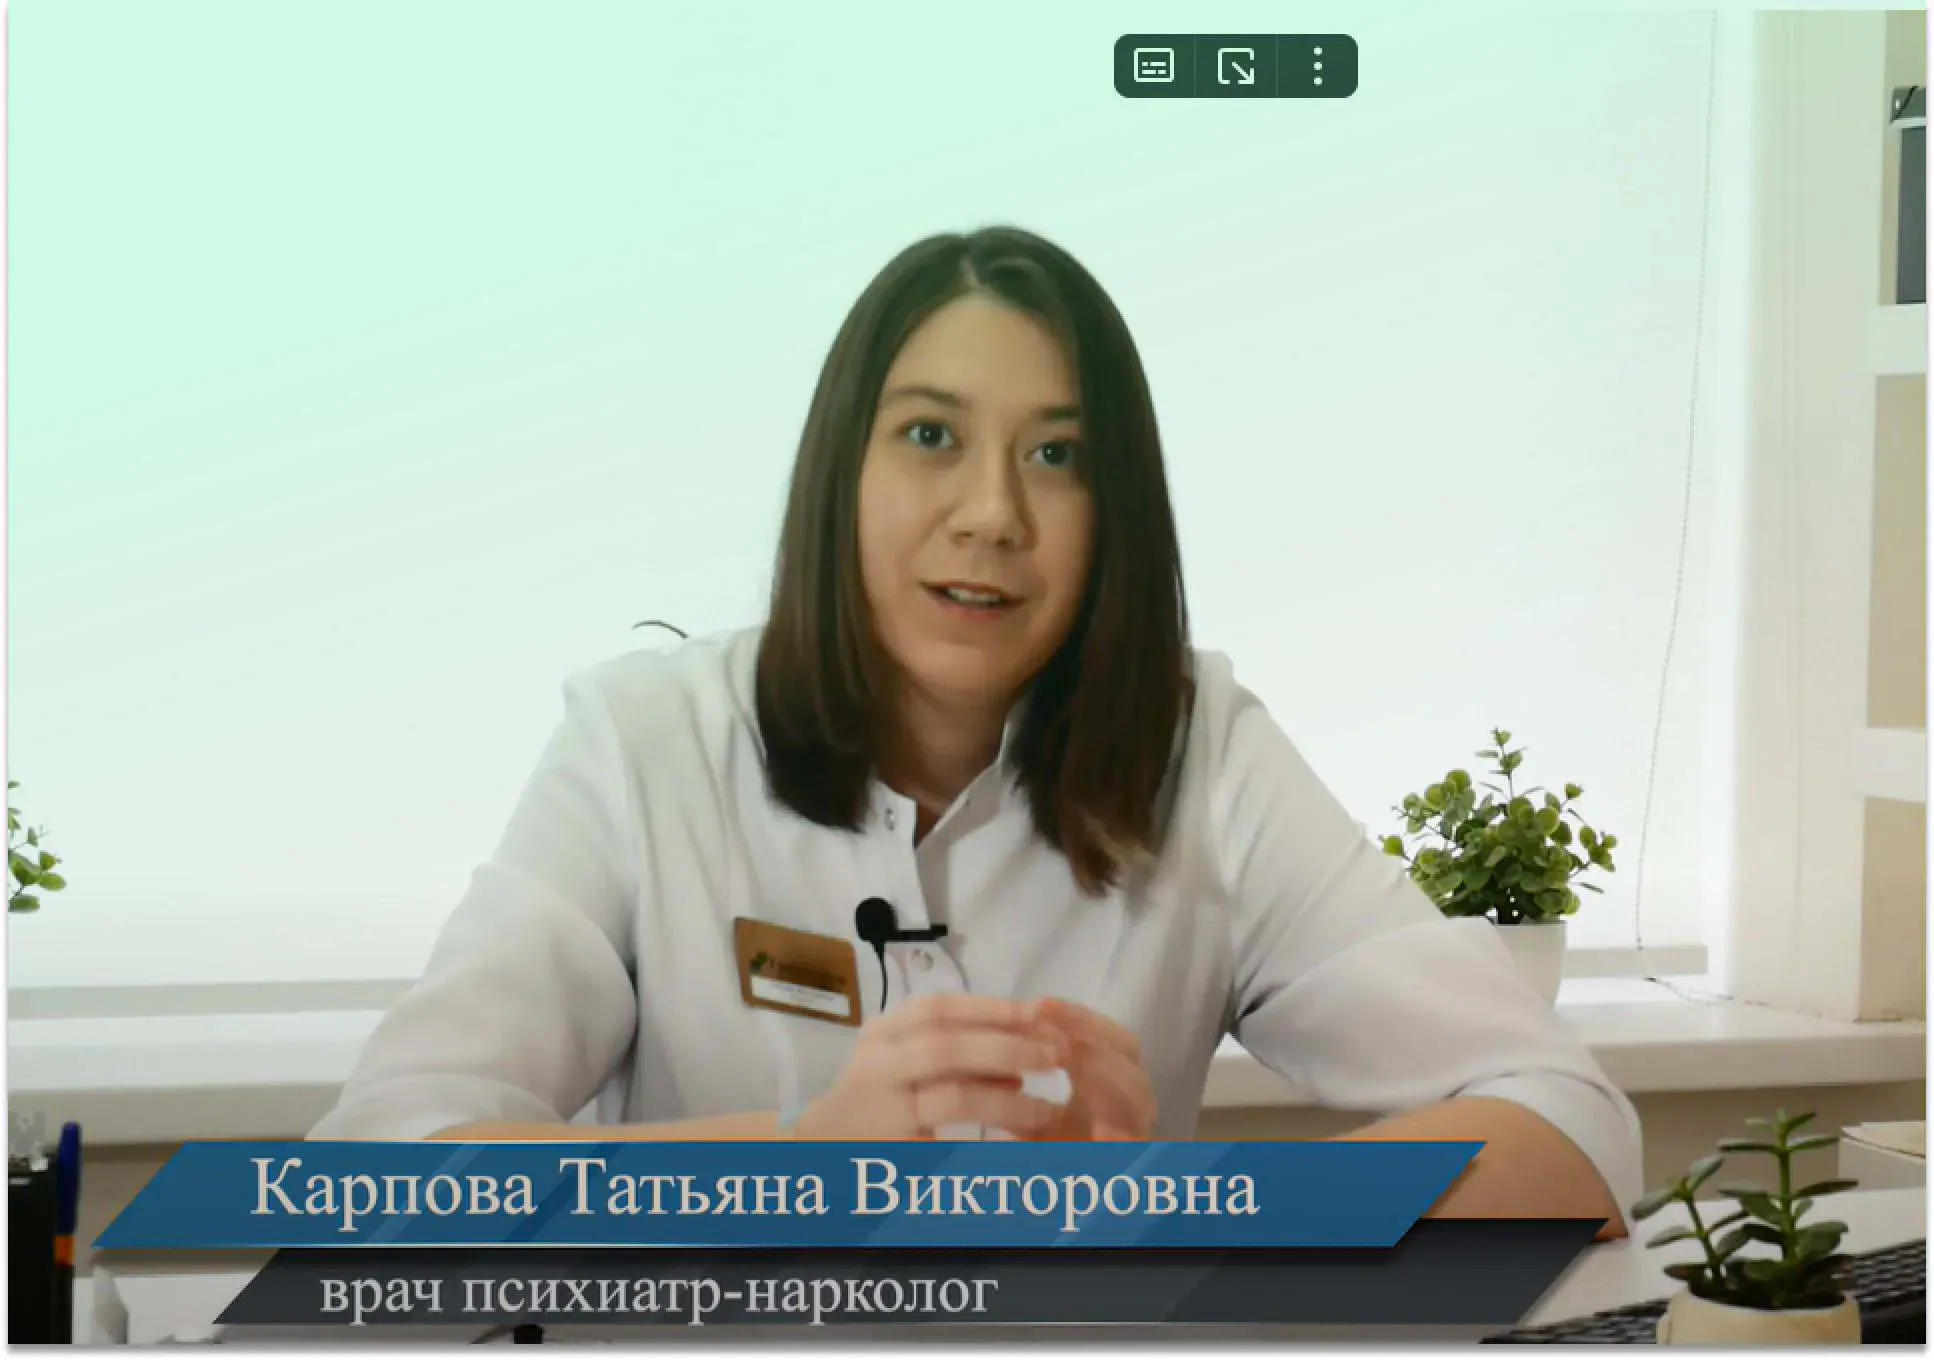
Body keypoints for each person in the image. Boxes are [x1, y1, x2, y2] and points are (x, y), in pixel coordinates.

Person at [310, 225, 1640, 1234]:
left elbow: (1570, 1126)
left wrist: (1171, 1207)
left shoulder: (1203, 755)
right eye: (930, 435)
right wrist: (806, 1161)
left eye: (1058, 455)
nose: (993, 514)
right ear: (840, 471)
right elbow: (380, 1170)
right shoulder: (645, 741)